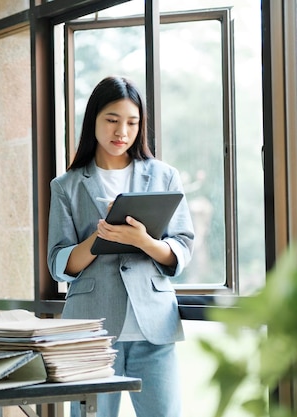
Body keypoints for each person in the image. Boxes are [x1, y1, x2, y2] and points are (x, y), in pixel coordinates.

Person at [47, 75, 194, 417]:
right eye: (112, 120)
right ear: (93, 120)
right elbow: (58, 262)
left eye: (132, 123)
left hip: (154, 330)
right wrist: (102, 236)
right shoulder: (65, 186)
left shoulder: (164, 176)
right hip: (90, 336)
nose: (122, 132)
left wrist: (142, 241)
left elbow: (182, 247)